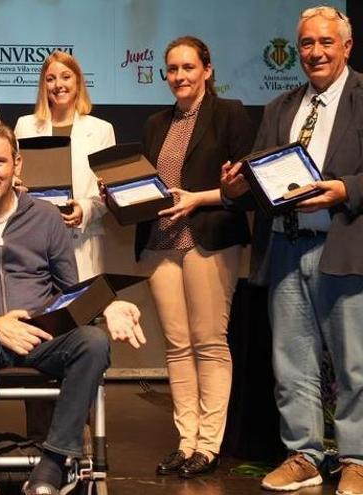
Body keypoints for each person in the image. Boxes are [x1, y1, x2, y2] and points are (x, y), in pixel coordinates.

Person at [0, 121, 146, 495]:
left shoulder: (45, 217)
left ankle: (53, 465)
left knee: (92, 342)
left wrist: (107, 305)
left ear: (17, 164)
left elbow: (70, 290)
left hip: (39, 334)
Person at [221, 6, 363, 493]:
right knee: (292, 362)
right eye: (306, 44)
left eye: (325, 42)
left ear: (347, 46)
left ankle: (357, 459)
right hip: (284, 248)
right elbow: (262, 173)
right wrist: (239, 187)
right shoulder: (283, 106)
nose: (315, 52)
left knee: (353, 363)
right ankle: (303, 454)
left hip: (343, 249)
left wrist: (345, 189)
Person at [136, 36, 254, 478]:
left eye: (188, 67)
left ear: (207, 69)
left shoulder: (230, 113)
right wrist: (122, 195)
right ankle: (186, 442)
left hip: (208, 238)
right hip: (162, 243)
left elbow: (248, 185)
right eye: (172, 69)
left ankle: (209, 444)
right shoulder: (154, 124)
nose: (179, 77)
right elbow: (149, 185)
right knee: (177, 346)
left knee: (208, 342)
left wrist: (200, 197)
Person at [15, 50, 116, 281]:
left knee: (83, 312)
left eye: (65, 76)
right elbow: (15, 179)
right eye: (50, 79)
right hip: (33, 239)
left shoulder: (102, 130)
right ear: (43, 86)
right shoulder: (24, 126)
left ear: (78, 81)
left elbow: (108, 191)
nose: (58, 84)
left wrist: (85, 209)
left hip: (83, 239)